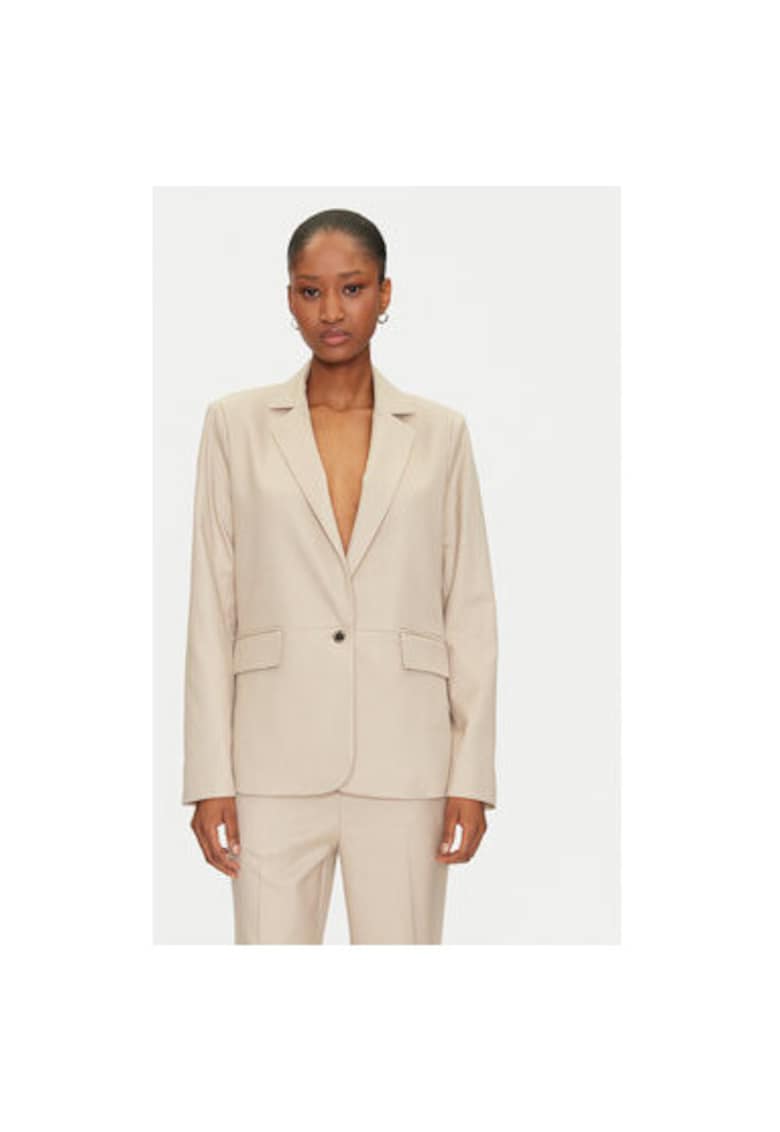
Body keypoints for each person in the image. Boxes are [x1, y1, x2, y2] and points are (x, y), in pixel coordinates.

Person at [183, 207, 498, 944]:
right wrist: (208, 777)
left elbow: (470, 607)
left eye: (352, 288)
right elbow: (211, 607)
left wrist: (472, 776)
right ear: (289, 298)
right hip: (270, 762)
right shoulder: (235, 426)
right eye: (310, 291)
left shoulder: (440, 434)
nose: (331, 311)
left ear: (385, 294)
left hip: (407, 762)